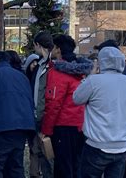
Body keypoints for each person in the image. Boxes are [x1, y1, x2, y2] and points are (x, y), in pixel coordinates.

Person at [73, 47, 126, 178]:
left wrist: (91, 74)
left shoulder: (94, 82)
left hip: (96, 144)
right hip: (122, 146)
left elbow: (77, 98)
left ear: (100, 62)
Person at [41, 34, 93, 178]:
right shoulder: (83, 72)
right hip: (82, 125)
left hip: (63, 126)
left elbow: (53, 104)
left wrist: (46, 130)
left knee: (63, 167)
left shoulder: (57, 72)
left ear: (58, 49)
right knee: (78, 165)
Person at [93, 39, 126, 178]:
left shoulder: (119, 70)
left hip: (116, 124)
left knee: (121, 159)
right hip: (122, 124)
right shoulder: (122, 68)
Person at [29, 31, 55, 178]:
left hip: (47, 115)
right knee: (37, 150)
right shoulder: (39, 65)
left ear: (39, 45)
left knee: (48, 154)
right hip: (38, 114)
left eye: (35, 46)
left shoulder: (52, 65)